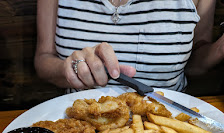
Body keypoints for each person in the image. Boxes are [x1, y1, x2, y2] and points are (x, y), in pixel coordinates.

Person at [34, 0, 224, 94]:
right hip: (79, 125)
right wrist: (68, 69)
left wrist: (219, 49)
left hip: (168, 131)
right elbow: (43, 58)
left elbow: (195, 66)